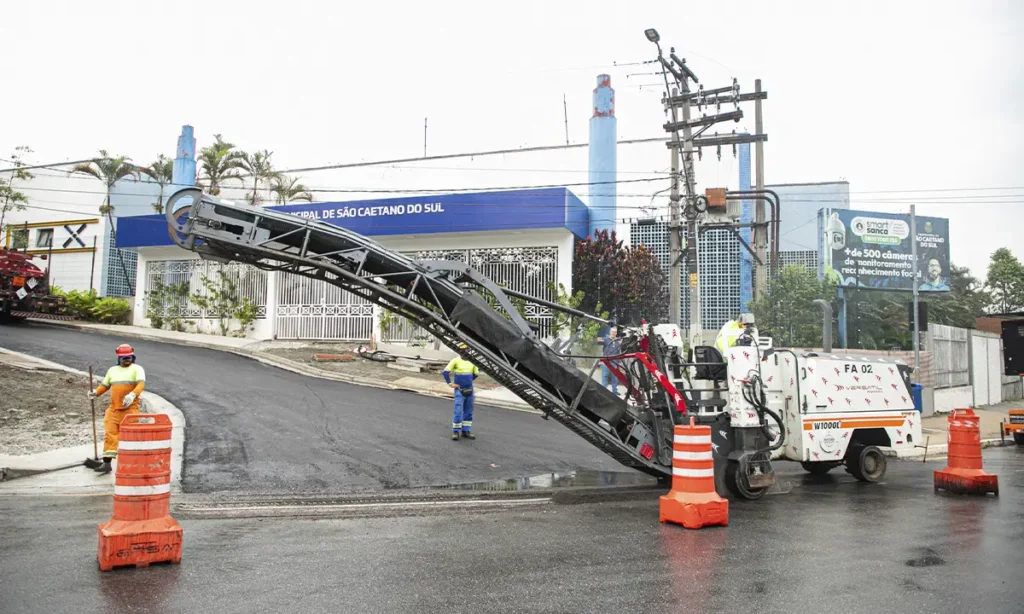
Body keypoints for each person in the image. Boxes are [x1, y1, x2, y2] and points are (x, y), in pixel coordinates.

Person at [85, 344, 146, 474]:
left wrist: (132, 394)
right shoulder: (112, 370)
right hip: (113, 409)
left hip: (130, 410)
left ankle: (132, 465)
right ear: (119, 358)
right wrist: (96, 393)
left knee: (130, 437)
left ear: (133, 357)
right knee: (110, 435)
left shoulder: (137, 369)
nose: (127, 359)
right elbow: (105, 385)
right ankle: (107, 464)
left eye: (129, 357)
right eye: (124, 358)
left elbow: (141, 384)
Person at [443, 356, 479, 441]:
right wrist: (450, 384)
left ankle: (466, 431)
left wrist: (469, 380)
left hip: (469, 389)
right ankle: (455, 431)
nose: (464, 352)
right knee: (458, 411)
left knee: (469, 411)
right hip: (459, 390)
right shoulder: (455, 360)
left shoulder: (473, 361)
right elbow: (445, 372)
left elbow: (476, 374)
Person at [596, 324, 620, 394]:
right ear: (610, 332)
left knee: (615, 377)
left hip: (615, 361)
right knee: (605, 376)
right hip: (606, 361)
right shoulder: (606, 339)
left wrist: (620, 362)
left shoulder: (617, 341)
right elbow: (598, 341)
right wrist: (599, 338)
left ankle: (615, 391)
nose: (614, 333)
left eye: (615, 332)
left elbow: (619, 351)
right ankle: (604, 391)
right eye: (612, 332)